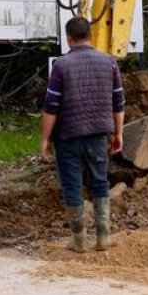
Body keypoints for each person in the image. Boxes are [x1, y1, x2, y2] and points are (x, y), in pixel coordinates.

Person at [40, 17, 125, 253]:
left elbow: (51, 107)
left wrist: (45, 139)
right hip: (99, 135)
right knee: (100, 182)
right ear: (91, 35)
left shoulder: (61, 65)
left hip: (67, 138)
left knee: (72, 186)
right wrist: (118, 133)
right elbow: (118, 103)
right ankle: (103, 238)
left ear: (69, 39)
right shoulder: (109, 62)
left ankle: (78, 241)